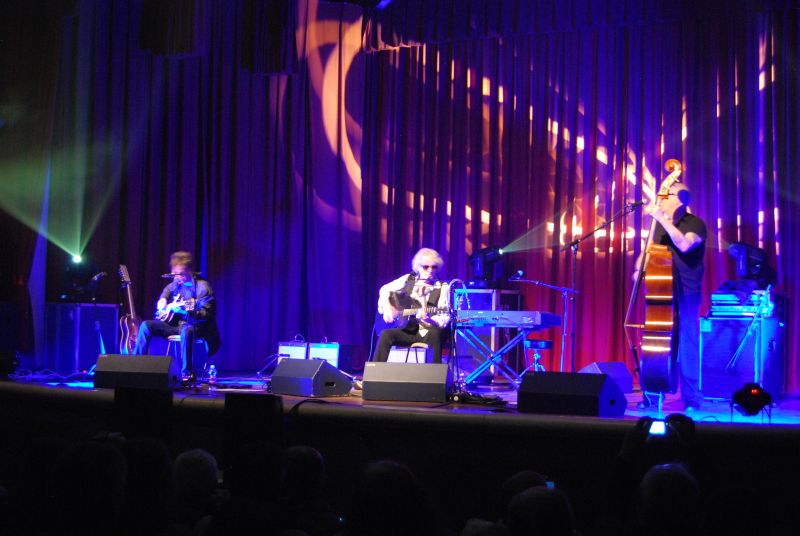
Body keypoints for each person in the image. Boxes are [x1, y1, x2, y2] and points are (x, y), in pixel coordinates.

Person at [634, 182, 706, 411]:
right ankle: (653, 396)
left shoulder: (695, 223)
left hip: (687, 290)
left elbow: (684, 245)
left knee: (687, 343)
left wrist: (661, 218)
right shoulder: (660, 228)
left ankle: (692, 399)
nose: (661, 198)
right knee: (657, 344)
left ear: (679, 199)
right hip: (661, 289)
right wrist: (639, 270)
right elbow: (649, 252)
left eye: (665, 194)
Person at [133, 251, 220, 381]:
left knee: (187, 330)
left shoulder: (203, 287)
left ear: (190, 270)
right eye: (175, 274)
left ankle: (187, 373)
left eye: (181, 274)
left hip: (197, 326)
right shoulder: (177, 282)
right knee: (146, 325)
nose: (178, 277)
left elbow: (206, 314)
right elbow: (167, 291)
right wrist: (162, 300)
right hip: (176, 325)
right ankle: (136, 366)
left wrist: (184, 311)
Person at [374, 248, 450, 364]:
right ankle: (375, 376)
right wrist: (388, 307)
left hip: (427, 332)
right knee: (385, 335)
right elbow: (384, 290)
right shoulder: (408, 279)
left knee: (435, 333)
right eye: (426, 266)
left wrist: (430, 320)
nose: (430, 270)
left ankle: (434, 379)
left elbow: (444, 316)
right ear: (418, 267)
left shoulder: (442, 287)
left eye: (433, 267)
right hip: (406, 329)